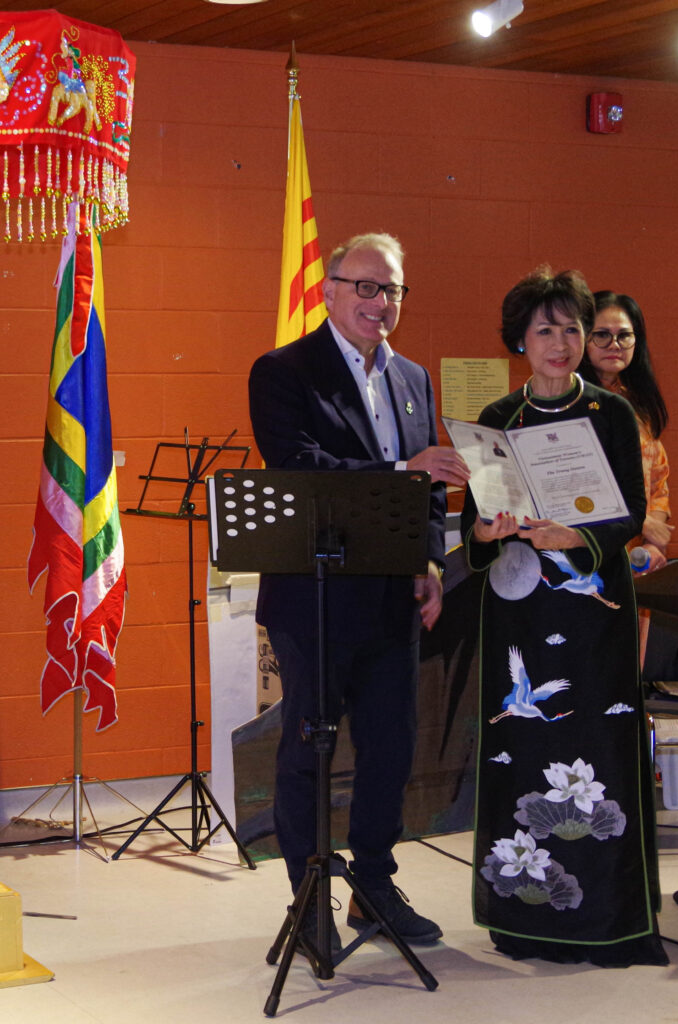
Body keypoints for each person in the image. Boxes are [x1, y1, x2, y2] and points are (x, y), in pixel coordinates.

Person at [248, 232, 469, 952]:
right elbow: (298, 464)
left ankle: (373, 889)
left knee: (390, 749)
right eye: (366, 287)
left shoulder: (412, 377)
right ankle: (308, 898)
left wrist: (429, 562)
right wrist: (403, 468)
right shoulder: (283, 370)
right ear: (329, 291)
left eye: (393, 290)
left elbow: (429, 493)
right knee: (308, 751)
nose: (381, 303)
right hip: (313, 598)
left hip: (390, 600)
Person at [460, 266, 667, 967]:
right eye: (544, 330)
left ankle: (610, 923)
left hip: (593, 610)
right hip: (518, 612)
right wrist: (486, 531)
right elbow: (476, 526)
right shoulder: (497, 419)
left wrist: (576, 535)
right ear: (519, 339)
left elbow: (631, 511)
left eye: (571, 329)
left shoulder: (611, 414)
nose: (560, 343)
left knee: (599, 746)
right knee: (521, 751)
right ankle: (523, 921)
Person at [581, 291, 672, 574]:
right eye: (602, 335)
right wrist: (640, 522)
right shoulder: (568, 404)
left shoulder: (637, 405)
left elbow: (658, 482)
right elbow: (573, 486)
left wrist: (653, 543)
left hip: (634, 563)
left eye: (624, 336)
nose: (615, 345)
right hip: (584, 558)